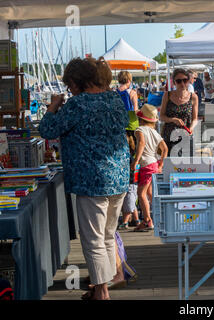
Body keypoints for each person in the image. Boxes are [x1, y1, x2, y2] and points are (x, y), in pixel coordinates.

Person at [39, 57, 130, 300]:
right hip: (119, 177)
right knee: (108, 235)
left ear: (77, 83)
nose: (69, 90)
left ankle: (101, 292)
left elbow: (48, 130)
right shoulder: (114, 99)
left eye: (70, 85)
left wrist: (53, 106)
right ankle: (104, 285)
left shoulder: (77, 105)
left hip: (92, 180)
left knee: (93, 240)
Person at [131, 104, 168, 232]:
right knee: (150, 193)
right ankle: (161, 216)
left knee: (140, 193)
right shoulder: (155, 132)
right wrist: (161, 164)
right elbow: (165, 149)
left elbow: (141, 143)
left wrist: (136, 160)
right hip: (153, 164)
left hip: (146, 164)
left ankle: (147, 220)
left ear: (141, 119)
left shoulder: (140, 130)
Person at [160, 68, 199, 156]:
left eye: (185, 80)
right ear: (174, 82)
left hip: (186, 136)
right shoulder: (167, 95)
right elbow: (161, 116)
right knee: (170, 166)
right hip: (169, 136)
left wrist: (191, 128)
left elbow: (195, 119)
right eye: (178, 81)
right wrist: (173, 119)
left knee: (187, 167)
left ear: (188, 81)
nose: (182, 84)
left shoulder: (193, 97)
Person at [116, 71, 140, 149]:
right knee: (133, 148)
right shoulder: (132, 93)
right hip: (131, 123)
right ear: (129, 80)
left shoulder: (114, 93)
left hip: (118, 123)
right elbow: (136, 110)